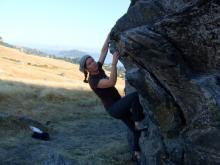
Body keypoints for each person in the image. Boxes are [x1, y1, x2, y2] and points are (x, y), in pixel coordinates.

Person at [79, 33, 145, 161]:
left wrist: (110, 34)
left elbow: (103, 51)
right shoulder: (93, 81)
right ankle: (138, 120)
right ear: (87, 69)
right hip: (114, 109)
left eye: (92, 60)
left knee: (135, 130)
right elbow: (111, 82)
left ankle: (136, 153)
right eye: (89, 63)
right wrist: (114, 63)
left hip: (119, 105)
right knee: (134, 97)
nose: (93, 63)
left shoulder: (98, 68)